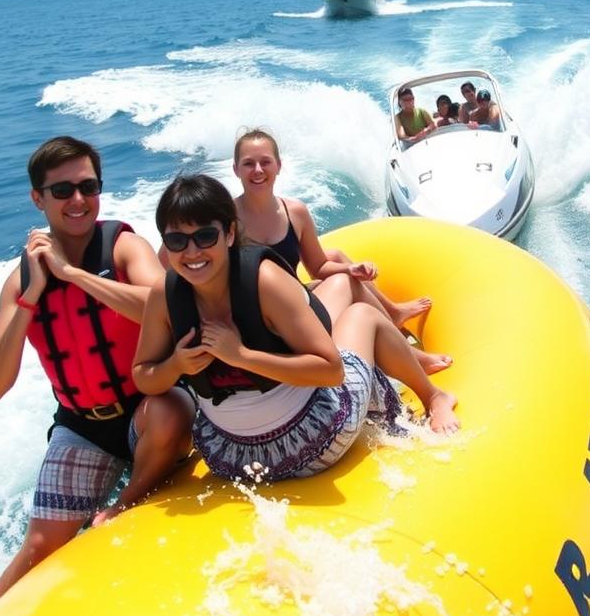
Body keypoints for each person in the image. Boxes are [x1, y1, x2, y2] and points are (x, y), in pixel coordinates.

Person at [0, 136, 194, 603]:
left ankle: (124, 504)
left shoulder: (124, 248)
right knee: (39, 547)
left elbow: (170, 309)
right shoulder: (20, 281)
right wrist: (31, 296)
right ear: (38, 198)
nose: (78, 200)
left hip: (146, 406)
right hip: (82, 425)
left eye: (88, 187)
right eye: (62, 190)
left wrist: (73, 275)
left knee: (170, 410)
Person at [133, 175, 459, 483]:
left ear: (230, 234)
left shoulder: (265, 281)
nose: (191, 252)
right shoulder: (165, 295)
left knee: (349, 305)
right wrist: (176, 364)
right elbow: (143, 374)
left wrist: (242, 356)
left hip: (301, 437)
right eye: (177, 240)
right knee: (362, 314)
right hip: (239, 454)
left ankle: (435, 397)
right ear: (165, 244)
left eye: (205, 236)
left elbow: (330, 371)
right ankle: (427, 383)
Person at [232, 129, 451, 375]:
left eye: (265, 162)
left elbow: (317, 267)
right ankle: (411, 353)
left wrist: (351, 268)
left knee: (344, 272)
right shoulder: (227, 221)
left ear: (279, 166)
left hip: (299, 301)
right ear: (236, 170)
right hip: (272, 322)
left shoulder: (295, 212)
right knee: (347, 284)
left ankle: (396, 325)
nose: (258, 170)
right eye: (248, 163)